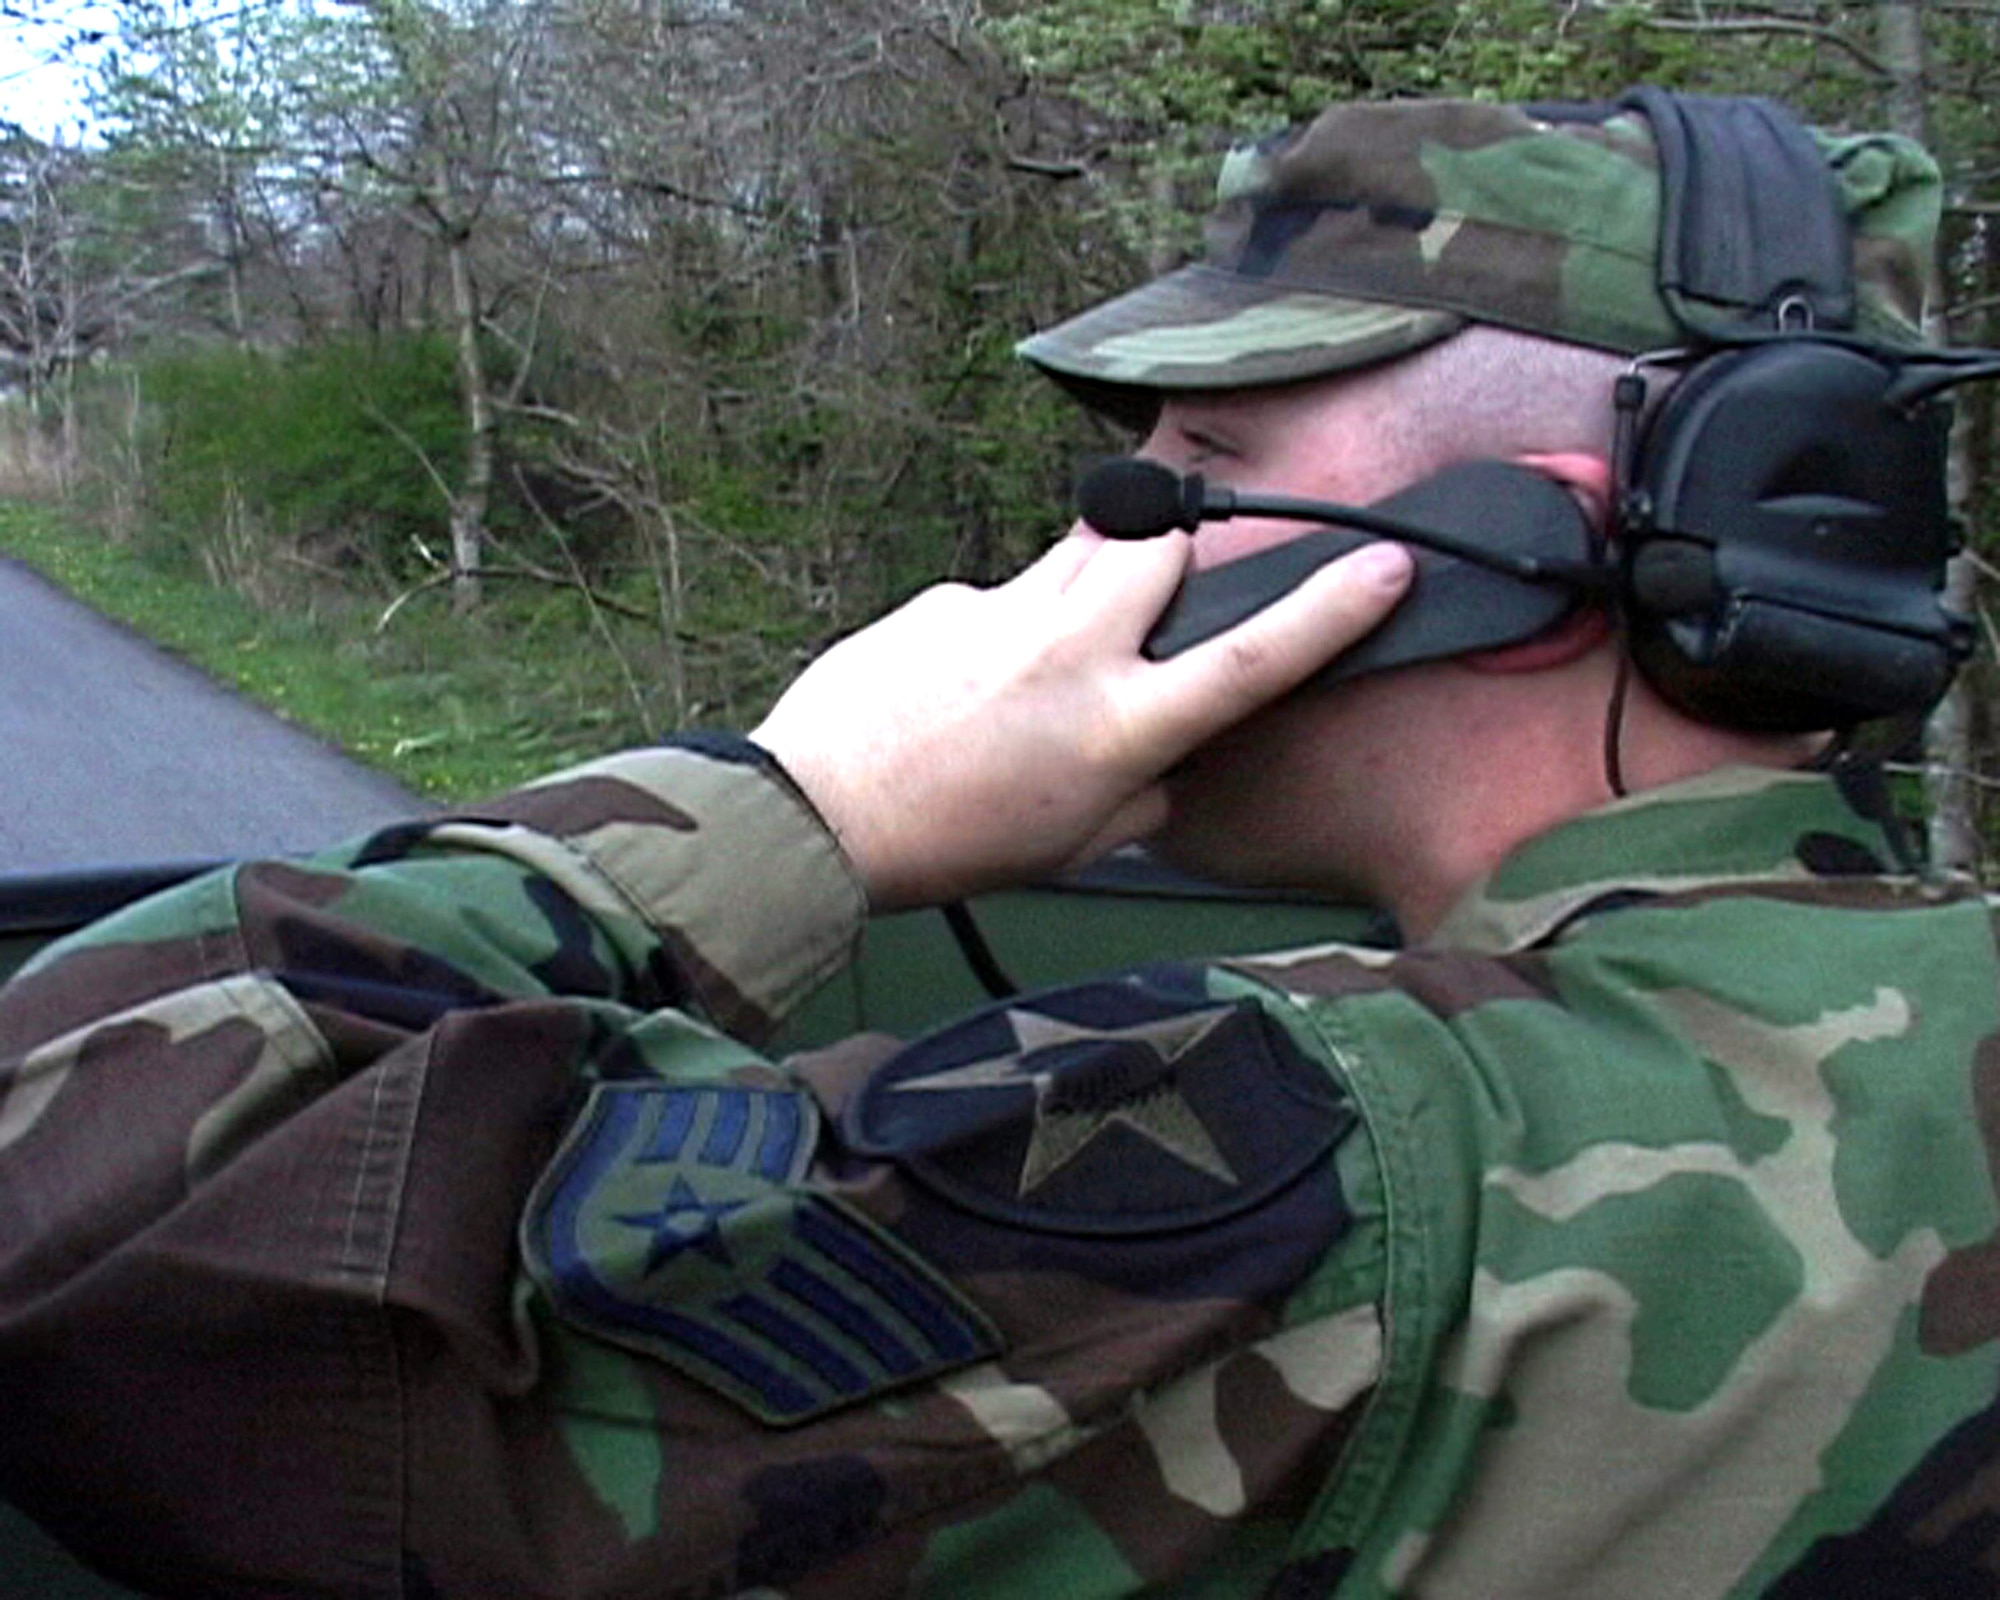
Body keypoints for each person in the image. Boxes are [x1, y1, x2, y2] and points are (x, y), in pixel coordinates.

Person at [2, 88, 1996, 1600]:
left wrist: (797, 808)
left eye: (1196, 470)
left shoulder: (1329, 1142)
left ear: (1530, 544)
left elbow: (81, 1235)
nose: (1092, 549)